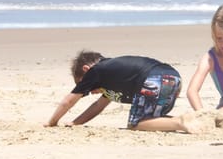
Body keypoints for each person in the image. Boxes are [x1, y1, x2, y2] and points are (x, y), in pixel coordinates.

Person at [44, 50, 201, 133]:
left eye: (85, 85)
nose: (90, 91)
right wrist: (75, 123)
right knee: (151, 120)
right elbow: (97, 106)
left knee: (136, 124)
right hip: (173, 78)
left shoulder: (96, 71)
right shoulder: (113, 76)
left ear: (87, 70)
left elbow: (69, 101)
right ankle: (189, 120)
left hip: (153, 79)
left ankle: (179, 122)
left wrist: (52, 122)